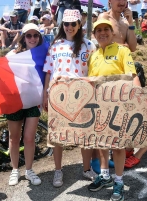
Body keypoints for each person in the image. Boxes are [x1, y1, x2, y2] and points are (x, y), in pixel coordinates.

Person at [0, 23, 45, 186]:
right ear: (23, 37)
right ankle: (15, 170)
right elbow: (0, 74)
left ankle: (29, 170)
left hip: (33, 103)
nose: (32, 38)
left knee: (29, 138)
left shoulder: (44, 54)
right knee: (14, 138)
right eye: (29, 35)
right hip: (15, 101)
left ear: (39, 37)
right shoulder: (12, 54)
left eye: (35, 35)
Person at [87, 19, 141, 201]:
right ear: (94, 35)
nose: (102, 33)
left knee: (117, 145)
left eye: (106, 29)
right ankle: (105, 176)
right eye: (98, 30)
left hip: (119, 104)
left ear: (112, 33)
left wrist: (139, 97)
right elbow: (90, 83)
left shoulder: (122, 50)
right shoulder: (93, 56)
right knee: (102, 142)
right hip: (99, 105)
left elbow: (132, 76)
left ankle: (119, 181)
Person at [42, 9, 97, 187]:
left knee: (85, 135)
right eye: (66, 23)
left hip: (82, 95)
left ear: (79, 24)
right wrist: (45, 93)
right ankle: (58, 171)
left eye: (73, 23)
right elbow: (49, 72)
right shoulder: (55, 45)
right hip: (58, 96)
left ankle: (87, 168)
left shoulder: (89, 45)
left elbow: (95, 71)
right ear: (62, 25)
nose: (69, 27)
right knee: (58, 136)